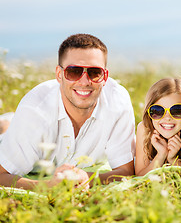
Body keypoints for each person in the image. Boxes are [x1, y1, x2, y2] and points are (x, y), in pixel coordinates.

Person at [0, 34, 136, 189]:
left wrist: (86, 179)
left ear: (105, 77)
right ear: (59, 75)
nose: (84, 82)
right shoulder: (34, 110)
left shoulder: (118, 102)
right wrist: (48, 186)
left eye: (94, 73)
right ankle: (5, 124)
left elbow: (125, 170)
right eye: (74, 71)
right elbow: (1, 174)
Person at [135, 78, 181, 176]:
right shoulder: (144, 128)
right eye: (157, 111)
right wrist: (161, 155)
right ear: (149, 113)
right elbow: (140, 175)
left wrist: (173, 159)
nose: (167, 118)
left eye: (177, 111)